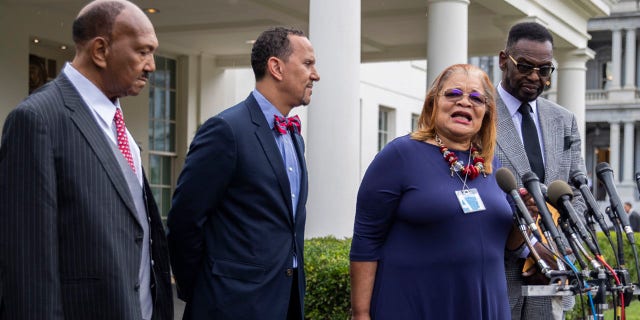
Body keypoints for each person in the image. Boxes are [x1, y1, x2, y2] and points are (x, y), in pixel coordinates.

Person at [0, 1, 173, 319]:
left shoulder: (120, 126)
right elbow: (29, 267)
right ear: (100, 50)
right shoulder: (37, 120)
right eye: (143, 51)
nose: (151, 65)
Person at [350, 64, 525, 319]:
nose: (464, 102)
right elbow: (366, 240)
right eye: (453, 94)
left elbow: (507, 244)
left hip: (484, 305)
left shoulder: (491, 166)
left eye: (476, 98)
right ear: (433, 102)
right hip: (415, 304)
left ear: (486, 113)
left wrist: (525, 217)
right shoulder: (400, 155)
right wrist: (361, 314)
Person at [167, 27, 319, 320]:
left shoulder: (295, 138)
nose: (316, 75)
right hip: (230, 306)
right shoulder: (226, 130)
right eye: (308, 64)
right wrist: (201, 290)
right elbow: (185, 221)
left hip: (286, 303)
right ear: (276, 67)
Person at [494, 21, 588, 320]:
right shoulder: (478, 114)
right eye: (524, 66)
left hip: (553, 281)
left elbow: (578, 192)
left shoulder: (564, 120)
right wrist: (530, 250)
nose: (535, 76)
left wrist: (559, 249)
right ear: (502, 61)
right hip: (496, 277)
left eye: (545, 69)